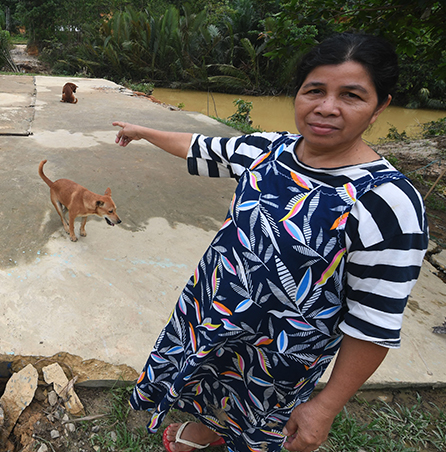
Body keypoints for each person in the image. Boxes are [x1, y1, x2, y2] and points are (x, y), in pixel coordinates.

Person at [112, 33, 428, 452]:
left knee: (257, 427)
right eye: (314, 90)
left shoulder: (388, 201)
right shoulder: (268, 149)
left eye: (351, 95)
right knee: (208, 385)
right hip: (213, 315)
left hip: (281, 355)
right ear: (297, 94)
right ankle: (208, 431)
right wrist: (143, 131)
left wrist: (326, 406)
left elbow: (375, 322)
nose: (326, 107)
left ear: (380, 106)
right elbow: (201, 147)